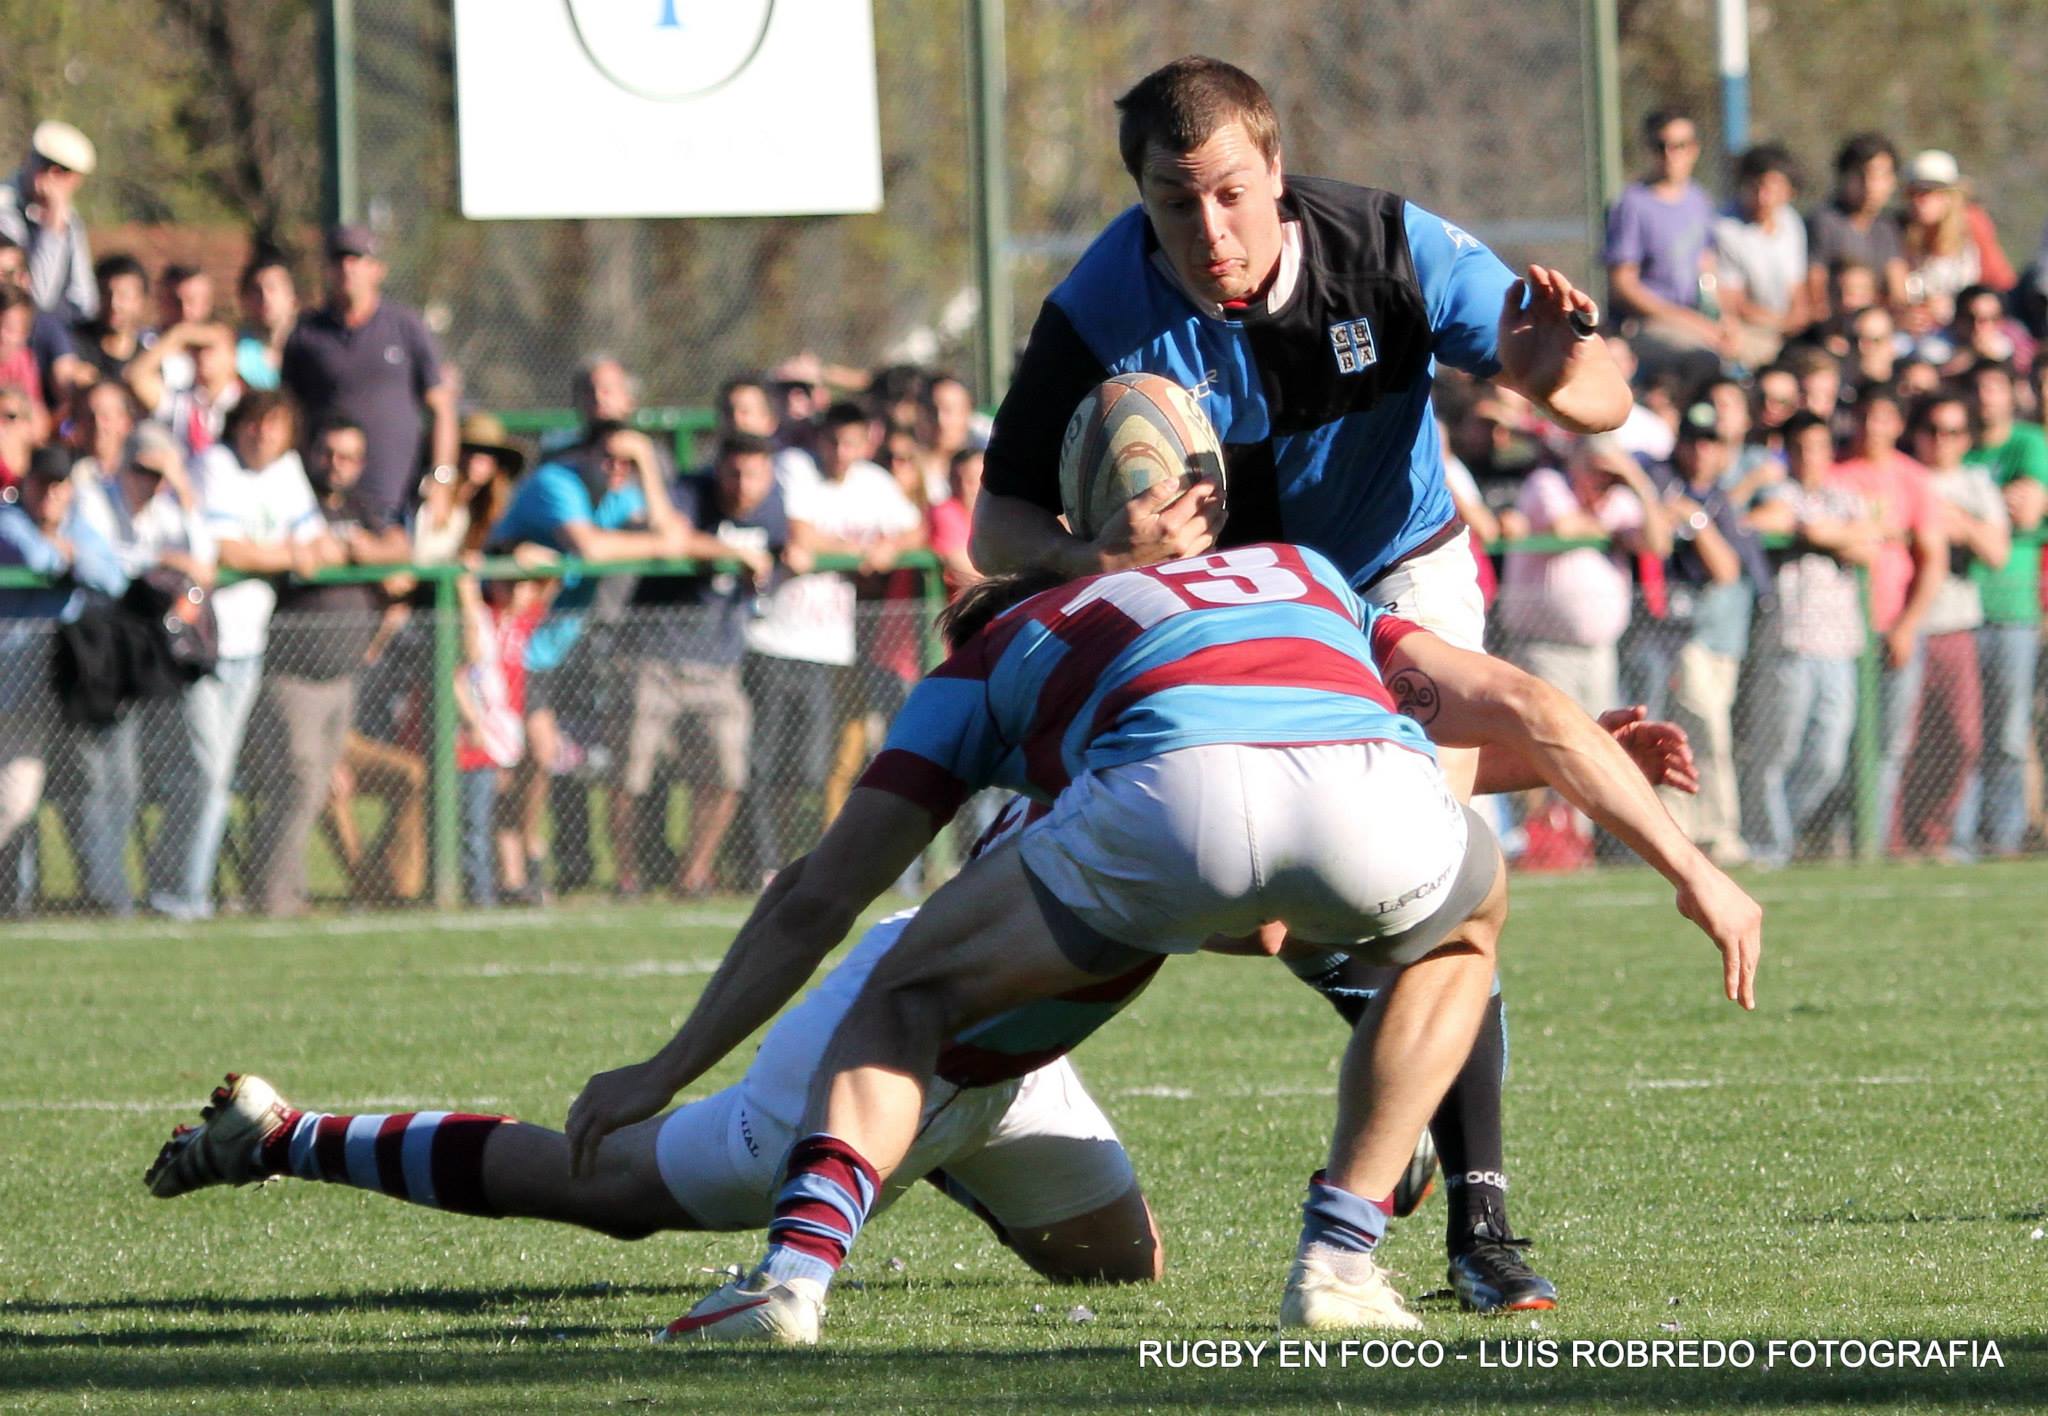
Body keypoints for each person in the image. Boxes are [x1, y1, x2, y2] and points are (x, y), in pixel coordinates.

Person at [558, 545, 1758, 1344]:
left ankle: (792, 1276)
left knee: (900, 1006)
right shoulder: (1301, 572)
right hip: (1321, 827)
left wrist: (659, 1068)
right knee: (1458, 934)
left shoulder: (1008, 659)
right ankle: (1340, 1256)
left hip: (1022, 998)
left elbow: (814, 899)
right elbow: (1467, 735)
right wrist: (1686, 863)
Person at [965, 55, 1633, 1312]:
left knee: (1438, 884)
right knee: (1260, 892)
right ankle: (1371, 1039)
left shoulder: (1386, 245)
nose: (1206, 229)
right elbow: (994, 527)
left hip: (1393, 580)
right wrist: (1086, 557)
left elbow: (1601, 392)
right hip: (1239, 617)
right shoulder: (1101, 301)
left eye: (1228, 192)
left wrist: (1553, 376)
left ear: (1275, 171)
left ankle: (1479, 1233)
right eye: (1174, 202)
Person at [144, 797, 1165, 1290]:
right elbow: (805, 888)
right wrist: (663, 1070)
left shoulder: (1150, 689)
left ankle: (933, 1160)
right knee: (609, 1189)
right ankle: (282, 1135)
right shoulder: (1057, 681)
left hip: (1017, 1049)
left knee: (1121, 1273)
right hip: (900, 1023)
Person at [487, 421, 686, 899]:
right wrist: (652, 545)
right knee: (515, 757)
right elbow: (591, 547)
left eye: (628, 462)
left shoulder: (622, 491)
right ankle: (509, 869)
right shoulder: (556, 482)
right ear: (584, 455)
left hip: (553, 650)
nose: (619, 469)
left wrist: (645, 466)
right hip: (506, 645)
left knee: (540, 758)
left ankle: (525, 860)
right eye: (610, 458)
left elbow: (674, 535)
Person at [741, 400, 920, 878]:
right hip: (775, 639)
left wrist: (890, 546)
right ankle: (763, 864)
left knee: (814, 767)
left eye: (851, 443)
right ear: (818, 440)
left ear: (866, 444)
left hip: (831, 648)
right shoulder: (794, 467)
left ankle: (805, 860)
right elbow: (802, 536)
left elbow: (913, 529)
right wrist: (863, 551)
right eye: (833, 441)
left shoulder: (873, 483)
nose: (841, 452)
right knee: (766, 763)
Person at [611, 432, 781, 898]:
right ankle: (628, 877)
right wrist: (734, 554)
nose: (744, 483)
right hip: (654, 655)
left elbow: (796, 541)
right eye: (734, 471)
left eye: (754, 473)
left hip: (720, 663)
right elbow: (671, 538)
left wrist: (794, 554)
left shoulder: (776, 506)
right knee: (631, 773)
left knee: (727, 773)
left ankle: (693, 875)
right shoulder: (690, 490)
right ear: (717, 468)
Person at [68, 422, 215, 913]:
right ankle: (106, 895)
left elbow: (204, 559)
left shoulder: (168, 508)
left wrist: (183, 488)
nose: (148, 483)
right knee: (104, 781)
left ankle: (145, 892)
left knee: (148, 779)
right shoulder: (93, 497)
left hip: (146, 658)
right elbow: (101, 564)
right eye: (141, 470)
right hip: (95, 654)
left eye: (159, 475)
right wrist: (162, 559)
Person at [1744, 412, 1881, 866]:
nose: (1810, 458)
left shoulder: (1845, 497)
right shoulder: (1778, 492)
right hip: (1791, 638)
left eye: (1818, 447)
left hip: (1841, 643)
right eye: (1800, 449)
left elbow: (1870, 543)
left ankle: (1785, 830)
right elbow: (1762, 520)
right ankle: (1770, 846)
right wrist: (1831, 534)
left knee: (1828, 755)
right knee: (1778, 749)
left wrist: (1826, 534)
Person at [1640, 404, 1767, 864]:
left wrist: (1694, 521)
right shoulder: (1660, 481)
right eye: (1693, 440)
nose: (1700, 450)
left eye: (1710, 441)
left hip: (1721, 640)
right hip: (1676, 639)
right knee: (1697, 737)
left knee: (1705, 738)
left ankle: (1707, 831)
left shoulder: (1716, 501)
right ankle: (1707, 833)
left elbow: (1727, 568)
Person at [1829, 387, 1948, 847]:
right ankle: (1833, 841)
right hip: (1839, 633)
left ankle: (1871, 843)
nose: (1872, 428)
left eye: (1883, 418)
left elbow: (1932, 558)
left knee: (1889, 746)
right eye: (1864, 417)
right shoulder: (1834, 472)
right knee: (1840, 743)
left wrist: (1907, 625)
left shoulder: (1912, 479)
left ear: (1897, 425)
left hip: (1891, 628)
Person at [280, 224, 457, 522]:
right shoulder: (306, 333)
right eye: (338, 259)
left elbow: (442, 408)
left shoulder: (405, 327)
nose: (347, 268)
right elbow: (287, 413)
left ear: (377, 269)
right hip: (325, 501)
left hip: (397, 497)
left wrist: (441, 480)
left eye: (357, 259)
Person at [0, 449, 125, 864]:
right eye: (42, 484)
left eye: (60, 485)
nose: (50, 494)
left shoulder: (78, 526)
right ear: (26, 483)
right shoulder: (8, 518)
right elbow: (39, 559)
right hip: (13, 687)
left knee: (95, 789)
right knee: (16, 797)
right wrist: (65, 555)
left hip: (67, 687)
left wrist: (71, 554)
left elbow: (113, 576)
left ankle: (104, 898)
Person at [1895, 392, 2006, 857]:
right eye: (1933, 430)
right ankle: (1892, 840)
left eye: (1954, 432)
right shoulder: (1903, 477)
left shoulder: (1976, 483)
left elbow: (1996, 552)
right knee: (1901, 742)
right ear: (1917, 434)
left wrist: (1947, 518)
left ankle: (1941, 837)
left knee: (1962, 739)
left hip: (1957, 624)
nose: (1942, 441)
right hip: (1901, 622)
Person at [1953, 360, 2047, 857]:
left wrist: (1965, 508)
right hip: (1961, 610)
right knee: (1962, 736)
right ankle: (1959, 840)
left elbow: (2028, 506)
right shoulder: (1953, 442)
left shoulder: (2029, 443)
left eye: (1996, 386)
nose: (1986, 397)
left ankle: (2004, 838)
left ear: (2013, 394)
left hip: (2013, 609)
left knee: (2009, 735)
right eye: (1977, 387)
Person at [1604, 108, 1725, 387]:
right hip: (1648, 325)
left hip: (1697, 319)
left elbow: (1708, 268)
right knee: (1703, 358)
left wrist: (1724, 320)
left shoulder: (1699, 201)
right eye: (1662, 146)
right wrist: (1688, 322)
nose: (1672, 155)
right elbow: (1624, 285)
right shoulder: (1632, 204)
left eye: (1680, 146)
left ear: (1694, 150)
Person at [1710, 143, 1809, 368]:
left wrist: (1796, 320)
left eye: (1773, 188)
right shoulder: (1726, 229)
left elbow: (1797, 291)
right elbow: (1733, 303)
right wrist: (1780, 323)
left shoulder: (1791, 221)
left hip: (1786, 330)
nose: (1764, 197)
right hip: (1749, 332)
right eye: (1756, 187)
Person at [1899, 151, 2015, 343]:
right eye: (1913, 193)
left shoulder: (1973, 226)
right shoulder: (1897, 232)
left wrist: (1958, 307)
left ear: (1949, 196)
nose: (1919, 201)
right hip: (1920, 336)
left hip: (1972, 330)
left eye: (1928, 192)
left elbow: (2001, 283)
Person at [0, 121, 98, 323]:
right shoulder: (5, 207)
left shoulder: (70, 220)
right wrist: (54, 224)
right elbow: (38, 296)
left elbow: (85, 299)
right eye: (44, 164)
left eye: (63, 171)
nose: (49, 177)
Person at [1806, 133, 1908, 318]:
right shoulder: (1824, 222)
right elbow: (1816, 293)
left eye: (1881, 176)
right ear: (1844, 177)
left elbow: (1898, 290)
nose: (1871, 185)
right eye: (1862, 175)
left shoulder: (1886, 227)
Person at [126, 321, 242, 461]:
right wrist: (179, 334)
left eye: (210, 349)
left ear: (232, 356)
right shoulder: (182, 401)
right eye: (197, 350)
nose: (202, 356)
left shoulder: (243, 402)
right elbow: (136, 375)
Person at [72, 255, 153, 383]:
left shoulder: (149, 356)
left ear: (141, 301)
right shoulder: (73, 346)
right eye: (106, 293)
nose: (114, 304)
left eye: (123, 295)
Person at [233, 251, 297, 393]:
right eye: (256, 290)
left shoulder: (313, 351)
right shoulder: (234, 354)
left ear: (292, 297)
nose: (265, 297)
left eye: (272, 288)